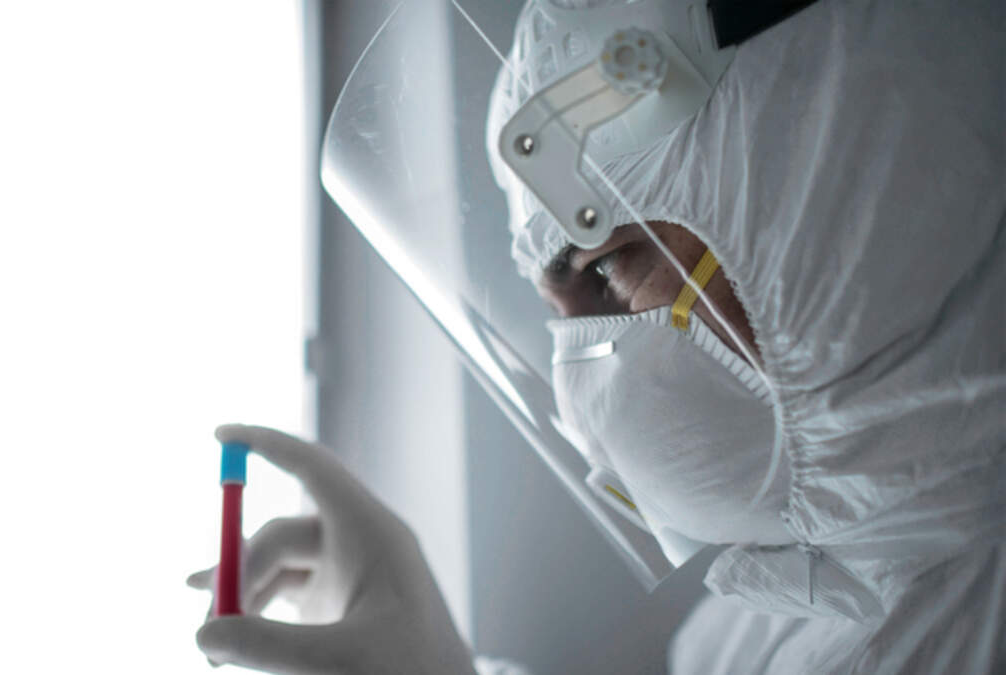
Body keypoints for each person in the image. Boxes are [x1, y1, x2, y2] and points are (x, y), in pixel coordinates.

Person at [190, 0, 1004, 672]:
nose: (576, 390)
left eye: (606, 268)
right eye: (555, 304)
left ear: (831, 170)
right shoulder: (772, 622)